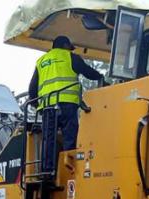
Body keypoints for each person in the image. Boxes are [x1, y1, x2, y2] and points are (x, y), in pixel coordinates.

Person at [28, 35, 102, 171]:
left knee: (48, 139)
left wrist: (37, 105)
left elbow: (32, 90)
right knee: (70, 136)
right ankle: (69, 168)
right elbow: (89, 72)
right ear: (66, 45)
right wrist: (101, 77)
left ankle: (47, 171)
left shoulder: (41, 61)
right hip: (67, 105)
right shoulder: (70, 57)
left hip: (48, 108)